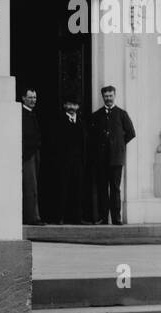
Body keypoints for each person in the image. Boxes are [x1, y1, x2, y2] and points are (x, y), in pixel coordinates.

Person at [89, 84, 136, 225]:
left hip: (116, 159)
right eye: (106, 96)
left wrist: (118, 145)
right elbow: (92, 137)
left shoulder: (122, 114)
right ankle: (104, 218)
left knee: (115, 188)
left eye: (110, 96)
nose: (108, 98)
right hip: (101, 159)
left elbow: (131, 133)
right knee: (103, 188)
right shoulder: (96, 115)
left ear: (114, 96)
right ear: (102, 97)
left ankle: (116, 218)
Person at [49, 97, 87, 225]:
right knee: (62, 189)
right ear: (65, 105)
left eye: (74, 105)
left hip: (77, 163)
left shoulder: (81, 123)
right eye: (69, 104)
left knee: (77, 190)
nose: (72, 107)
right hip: (63, 163)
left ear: (78, 107)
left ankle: (76, 218)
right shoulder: (58, 121)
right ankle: (59, 217)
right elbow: (54, 143)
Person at [20, 87, 42, 225]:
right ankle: (32, 217)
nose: (33, 100)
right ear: (24, 98)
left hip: (34, 154)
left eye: (34, 97)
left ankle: (34, 215)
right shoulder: (21, 113)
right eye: (30, 97)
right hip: (27, 156)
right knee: (30, 187)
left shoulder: (32, 113)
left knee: (33, 186)